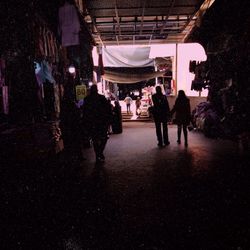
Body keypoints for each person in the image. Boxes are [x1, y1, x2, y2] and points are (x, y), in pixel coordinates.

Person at [82, 85, 112, 163]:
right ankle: (99, 153)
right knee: (103, 138)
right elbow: (108, 109)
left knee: (96, 140)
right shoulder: (101, 98)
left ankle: (98, 154)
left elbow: (85, 112)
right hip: (100, 122)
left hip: (93, 123)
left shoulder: (87, 99)